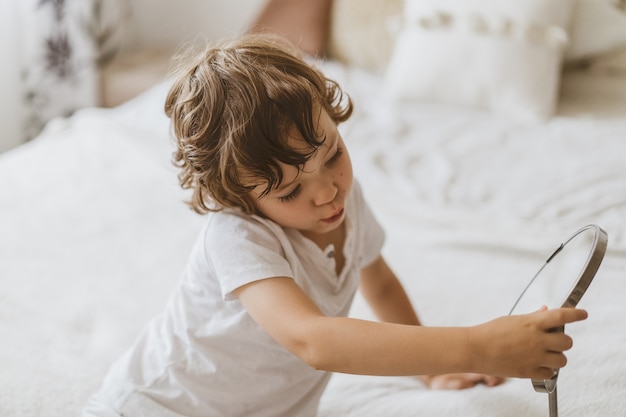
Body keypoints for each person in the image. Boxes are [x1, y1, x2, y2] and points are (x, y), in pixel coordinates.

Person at [83, 34, 588, 417]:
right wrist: (477, 345)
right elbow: (314, 340)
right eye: (289, 191)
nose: (326, 191)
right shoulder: (235, 238)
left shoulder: (340, 199)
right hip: (158, 406)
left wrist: (433, 367)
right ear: (238, 197)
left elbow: (380, 281)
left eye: (333, 155)